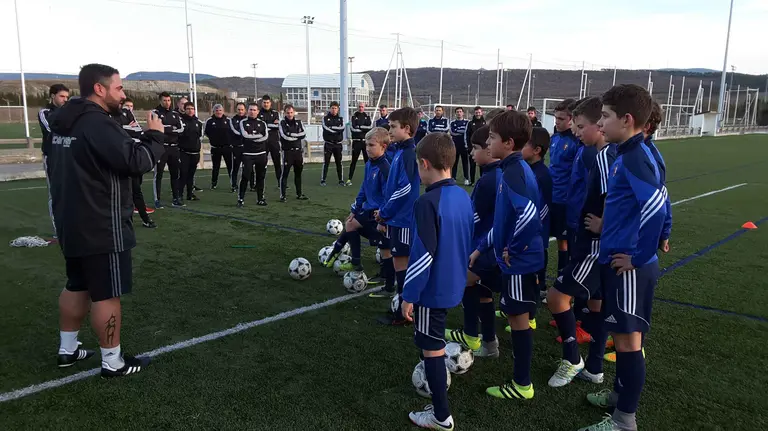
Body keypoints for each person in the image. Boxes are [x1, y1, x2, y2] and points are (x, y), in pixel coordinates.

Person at [48, 63, 165, 378]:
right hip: (102, 223)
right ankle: (112, 361)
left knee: (77, 285)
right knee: (106, 293)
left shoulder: (63, 121)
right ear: (99, 89)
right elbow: (135, 161)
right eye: (118, 87)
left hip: (71, 219)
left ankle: (67, 349)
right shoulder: (95, 123)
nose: (122, 94)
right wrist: (155, 136)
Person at [578, 85, 665, 431]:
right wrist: (665, 232)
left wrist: (640, 255)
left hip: (628, 263)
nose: (600, 123)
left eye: (605, 117)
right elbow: (663, 197)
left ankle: (624, 420)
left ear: (627, 120)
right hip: (619, 257)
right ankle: (618, 396)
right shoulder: (632, 152)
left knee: (629, 343)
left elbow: (656, 205)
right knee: (623, 339)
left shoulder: (634, 156)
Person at [401, 132, 473, 431]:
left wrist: (409, 294)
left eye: (418, 167)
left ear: (425, 163)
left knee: (431, 348)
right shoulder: (461, 195)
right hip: (455, 282)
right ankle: (437, 399)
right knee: (433, 342)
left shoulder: (427, 202)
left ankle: (441, 416)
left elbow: (423, 254)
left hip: (432, 289)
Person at [470, 111, 543, 401]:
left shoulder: (513, 172)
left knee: (517, 319)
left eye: (492, 137)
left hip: (520, 262)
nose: (487, 142)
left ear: (509, 142)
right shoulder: (510, 168)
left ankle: (522, 384)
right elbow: (504, 221)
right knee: (515, 315)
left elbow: (528, 216)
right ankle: (518, 377)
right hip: (517, 257)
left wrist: (512, 248)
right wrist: (481, 248)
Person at [545, 97, 616, 389]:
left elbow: (619, 197)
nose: (576, 130)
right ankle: (596, 367)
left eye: (581, 125)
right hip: (589, 234)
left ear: (600, 126)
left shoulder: (602, 157)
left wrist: (604, 224)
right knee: (597, 303)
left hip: (594, 243)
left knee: (556, 297)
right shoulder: (597, 152)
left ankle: (573, 358)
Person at [444, 125, 501, 357]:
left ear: (489, 149)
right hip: (491, 245)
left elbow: (473, 218)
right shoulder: (497, 174)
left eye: (475, 148)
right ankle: (489, 342)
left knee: (464, 282)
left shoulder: (488, 180)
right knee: (483, 292)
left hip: (484, 247)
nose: (471, 154)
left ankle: (471, 333)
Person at [324, 128, 392, 289]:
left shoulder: (385, 168)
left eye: (371, 145)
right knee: (350, 223)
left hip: (378, 214)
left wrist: (383, 214)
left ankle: (389, 286)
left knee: (386, 250)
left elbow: (389, 194)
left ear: (383, 146)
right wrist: (355, 209)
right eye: (366, 145)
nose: (367, 148)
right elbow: (363, 188)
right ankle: (356, 264)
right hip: (367, 211)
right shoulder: (370, 164)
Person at [375, 107, 421, 325]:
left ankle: (406, 309)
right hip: (395, 218)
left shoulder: (409, 154)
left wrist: (384, 212)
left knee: (403, 263)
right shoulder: (399, 152)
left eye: (393, 126)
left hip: (403, 220)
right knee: (399, 262)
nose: (389, 130)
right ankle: (404, 306)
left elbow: (405, 190)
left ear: (407, 128)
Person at [549, 98, 581, 274]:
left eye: (561, 119)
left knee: (567, 239)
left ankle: (565, 275)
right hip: (552, 196)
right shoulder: (554, 138)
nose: (557, 122)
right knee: (557, 239)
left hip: (566, 200)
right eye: (556, 118)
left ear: (572, 119)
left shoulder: (577, 142)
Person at [115, 98, 156, 229]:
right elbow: (117, 131)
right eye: (127, 105)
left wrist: (128, 130)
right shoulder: (109, 114)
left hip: (133, 154)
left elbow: (137, 131)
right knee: (121, 191)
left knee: (136, 190)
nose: (129, 108)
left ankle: (144, 218)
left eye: (131, 106)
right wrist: (128, 129)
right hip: (120, 156)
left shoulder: (128, 114)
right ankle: (123, 221)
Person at [521, 128, 551, 301]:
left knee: (537, 258)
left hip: (536, 231)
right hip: (529, 229)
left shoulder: (542, 174)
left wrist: (534, 227)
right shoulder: (528, 169)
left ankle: (538, 289)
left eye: (524, 144)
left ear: (536, 150)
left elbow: (543, 206)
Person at [39, 83, 70, 237]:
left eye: (67, 97)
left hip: (68, 156)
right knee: (55, 193)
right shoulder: (45, 112)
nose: (65, 99)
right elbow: (53, 130)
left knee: (72, 191)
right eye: (62, 96)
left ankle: (73, 226)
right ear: (53, 96)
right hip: (51, 157)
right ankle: (58, 231)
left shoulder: (69, 112)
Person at [152, 92, 184, 208]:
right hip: (161, 147)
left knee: (175, 173)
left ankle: (176, 198)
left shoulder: (175, 114)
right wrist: (171, 128)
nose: (167, 103)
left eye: (169, 100)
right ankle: (157, 200)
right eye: (165, 100)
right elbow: (156, 128)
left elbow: (181, 129)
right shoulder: (155, 113)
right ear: (160, 101)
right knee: (158, 174)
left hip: (174, 148)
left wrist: (165, 128)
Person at [237, 103, 269, 207]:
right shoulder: (243, 122)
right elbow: (245, 136)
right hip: (248, 154)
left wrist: (253, 137)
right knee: (245, 176)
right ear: (247, 110)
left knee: (261, 177)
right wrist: (257, 136)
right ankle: (241, 199)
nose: (252, 111)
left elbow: (265, 137)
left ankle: (260, 199)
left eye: (254, 110)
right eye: (250, 109)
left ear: (258, 111)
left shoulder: (263, 123)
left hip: (261, 154)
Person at [278, 104, 309, 201]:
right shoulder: (282, 123)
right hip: (288, 152)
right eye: (288, 113)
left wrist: (292, 134)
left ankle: (299, 194)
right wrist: (296, 136)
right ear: (284, 113)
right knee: (285, 174)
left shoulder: (299, 122)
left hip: (298, 152)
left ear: (294, 112)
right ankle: (283, 195)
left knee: (298, 174)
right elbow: (285, 137)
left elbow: (303, 134)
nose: (290, 114)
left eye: (291, 112)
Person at [178, 101, 203, 204]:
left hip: (195, 153)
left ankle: (189, 194)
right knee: (183, 174)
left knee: (191, 175)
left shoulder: (198, 123)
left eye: (192, 109)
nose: (190, 110)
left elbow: (200, 137)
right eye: (188, 109)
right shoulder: (180, 121)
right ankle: (179, 195)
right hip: (184, 152)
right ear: (184, 109)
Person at [204, 104, 232, 190]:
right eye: (216, 110)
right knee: (216, 167)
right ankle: (214, 183)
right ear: (214, 111)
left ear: (223, 111)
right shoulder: (209, 121)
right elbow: (206, 132)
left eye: (220, 110)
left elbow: (232, 132)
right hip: (215, 148)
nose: (218, 112)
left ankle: (233, 184)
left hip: (227, 148)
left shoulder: (228, 120)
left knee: (230, 166)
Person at [257, 95, 282, 188]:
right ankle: (259, 183)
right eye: (264, 102)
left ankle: (280, 183)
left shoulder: (275, 113)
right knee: (262, 163)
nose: (266, 104)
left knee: (277, 163)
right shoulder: (258, 113)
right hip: (263, 142)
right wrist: (271, 125)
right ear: (262, 103)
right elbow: (260, 127)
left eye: (267, 102)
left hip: (274, 142)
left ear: (270, 103)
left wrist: (266, 125)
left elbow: (278, 126)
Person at [321, 101, 345, 186]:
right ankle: (323, 180)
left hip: (338, 144)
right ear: (330, 108)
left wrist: (331, 128)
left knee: (339, 162)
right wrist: (335, 130)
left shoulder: (341, 119)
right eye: (332, 108)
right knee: (326, 162)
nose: (334, 110)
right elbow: (325, 128)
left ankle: (341, 180)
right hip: (328, 144)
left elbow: (342, 128)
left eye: (335, 108)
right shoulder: (325, 118)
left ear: (338, 109)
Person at [348, 102, 373, 185]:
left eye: (362, 107)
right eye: (359, 106)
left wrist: (360, 127)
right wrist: (363, 129)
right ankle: (349, 179)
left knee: (367, 161)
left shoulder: (367, 116)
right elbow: (353, 129)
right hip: (356, 141)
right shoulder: (354, 116)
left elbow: (370, 128)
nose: (361, 108)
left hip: (365, 142)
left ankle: (369, 179)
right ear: (357, 107)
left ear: (364, 107)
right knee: (354, 161)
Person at [229, 102, 247, 193]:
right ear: (236, 110)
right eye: (239, 109)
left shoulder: (248, 120)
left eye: (242, 109)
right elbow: (236, 131)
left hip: (247, 148)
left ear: (245, 110)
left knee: (248, 167)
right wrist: (245, 133)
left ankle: (251, 185)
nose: (240, 111)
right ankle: (234, 185)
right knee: (235, 167)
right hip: (236, 147)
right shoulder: (232, 120)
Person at [464, 106, 485, 185]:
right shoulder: (470, 123)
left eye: (479, 112)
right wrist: (468, 146)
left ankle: (483, 180)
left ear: (481, 113)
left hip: (483, 148)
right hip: (472, 148)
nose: (478, 114)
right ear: (474, 113)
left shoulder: (485, 123)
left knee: (483, 165)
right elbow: (467, 135)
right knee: (472, 165)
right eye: (476, 113)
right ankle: (471, 181)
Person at [449, 107, 470, 185]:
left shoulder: (467, 122)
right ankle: (453, 178)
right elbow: (452, 132)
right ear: (455, 113)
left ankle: (466, 179)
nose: (459, 113)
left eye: (460, 111)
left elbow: (467, 132)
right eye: (457, 112)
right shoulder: (452, 122)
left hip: (464, 145)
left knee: (465, 162)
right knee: (454, 162)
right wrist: (462, 131)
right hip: (455, 145)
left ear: (463, 113)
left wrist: (458, 130)